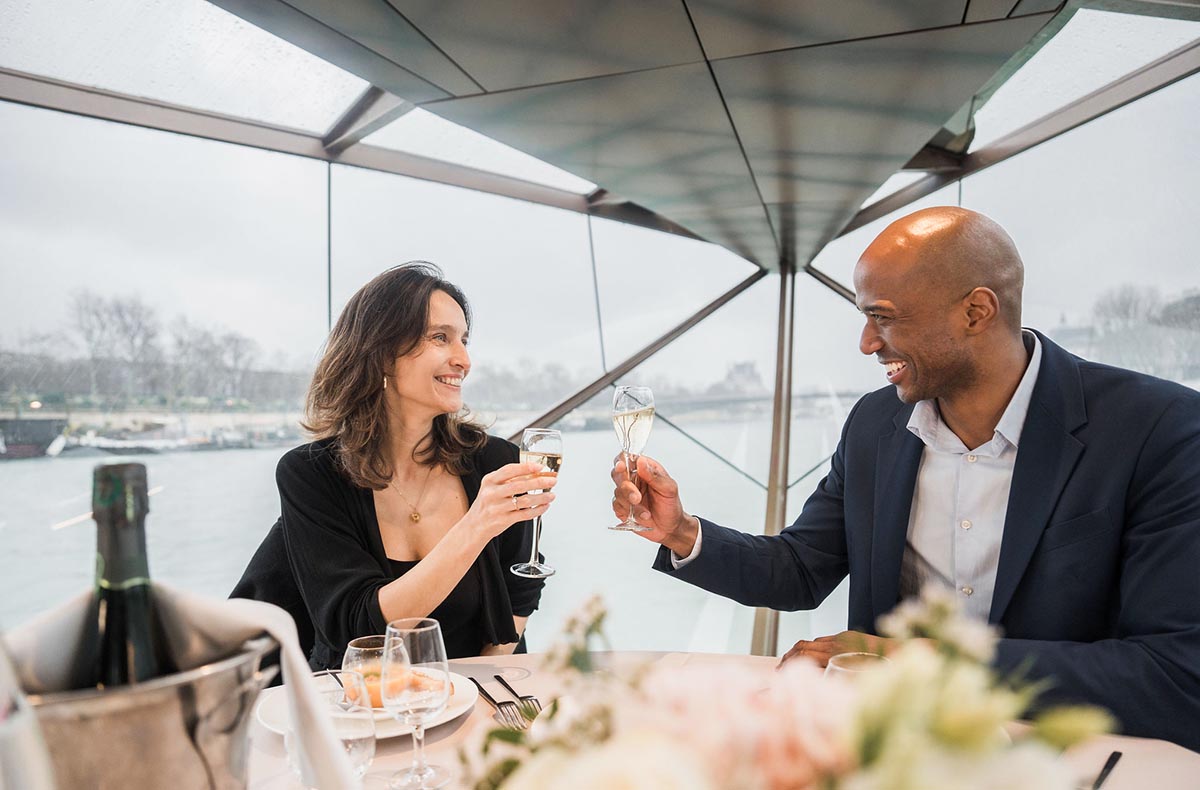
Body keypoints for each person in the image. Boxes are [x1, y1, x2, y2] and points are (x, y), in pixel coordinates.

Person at [612, 206, 1200, 749]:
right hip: (890, 755)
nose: (867, 342)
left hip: (1061, 755)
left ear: (976, 311)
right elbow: (801, 569)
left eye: (882, 318)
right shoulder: (875, 424)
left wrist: (907, 661)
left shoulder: (1160, 429)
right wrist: (682, 532)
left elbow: (1177, 673)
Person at [236, 262, 556, 670]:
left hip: (484, 700)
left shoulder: (495, 462)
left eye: (464, 340)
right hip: (360, 706)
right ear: (383, 353)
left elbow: (521, 591)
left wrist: (479, 691)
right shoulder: (310, 475)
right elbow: (356, 628)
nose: (463, 360)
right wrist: (476, 527)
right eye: (441, 338)